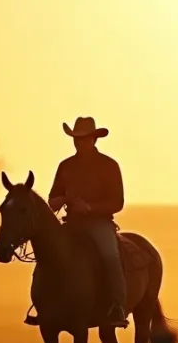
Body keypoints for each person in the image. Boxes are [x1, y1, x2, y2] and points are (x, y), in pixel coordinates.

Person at [44, 116, 129, 329]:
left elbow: (117, 202)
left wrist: (90, 207)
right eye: (75, 139)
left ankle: (117, 305)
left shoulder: (109, 166)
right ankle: (44, 302)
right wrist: (62, 200)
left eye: (83, 138)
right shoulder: (66, 166)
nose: (78, 143)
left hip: (99, 223)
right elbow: (52, 200)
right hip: (71, 223)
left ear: (93, 139)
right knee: (48, 254)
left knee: (110, 255)